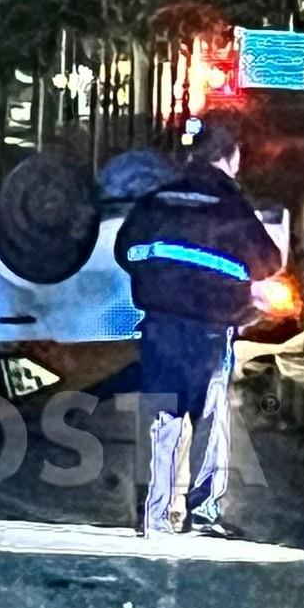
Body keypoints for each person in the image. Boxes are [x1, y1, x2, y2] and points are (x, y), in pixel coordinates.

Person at [116, 118, 284, 536]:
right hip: (211, 326)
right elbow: (269, 262)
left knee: (161, 414)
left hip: (160, 322)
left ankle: (153, 513)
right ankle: (203, 511)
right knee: (208, 417)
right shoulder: (230, 205)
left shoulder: (157, 198)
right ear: (232, 157)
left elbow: (124, 249)